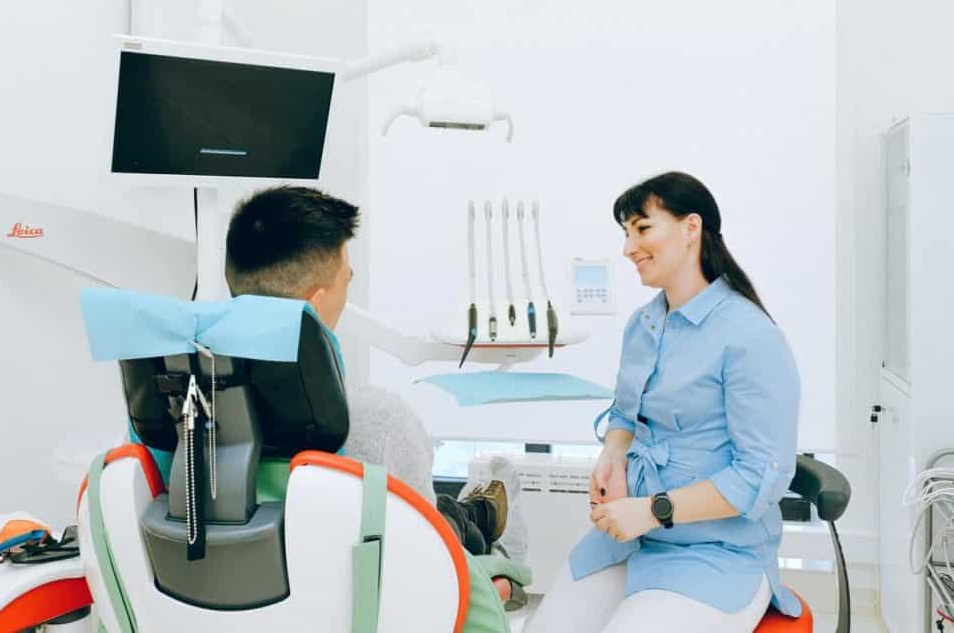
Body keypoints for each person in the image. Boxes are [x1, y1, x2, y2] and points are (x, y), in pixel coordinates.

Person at [525, 171, 800, 633]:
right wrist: (612, 454)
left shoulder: (750, 337)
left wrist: (654, 509)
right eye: (626, 232)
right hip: (634, 541)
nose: (628, 247)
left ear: (691, 228)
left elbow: (760, 475)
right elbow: (624, 411)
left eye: (642, 228)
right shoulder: (645, 324)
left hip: (714, 553)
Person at [224, 185, 522, 599]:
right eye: (348, 279)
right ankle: (482, 515)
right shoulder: (379, 419)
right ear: (316, 303)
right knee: (454, 526)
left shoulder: (172, 419)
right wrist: (494, 592)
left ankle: (474, 509)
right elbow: (429, 563)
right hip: (365, 594)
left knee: (446, 512)